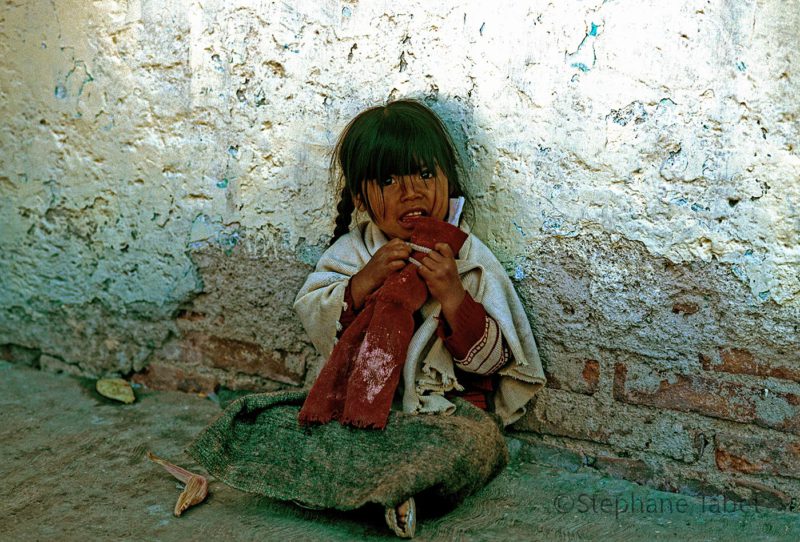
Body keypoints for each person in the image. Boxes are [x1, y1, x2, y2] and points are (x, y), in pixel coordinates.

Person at [292, 98, 546, 537]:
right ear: (359, 196)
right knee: (296, 431)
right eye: (388, 179)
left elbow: (495, 364)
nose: (411, 192)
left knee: (476, 445)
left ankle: (389, 490)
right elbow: (317, 320)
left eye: (426, 174)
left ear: (448, 181)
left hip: (445, 415)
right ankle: (385, 487)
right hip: (369, 410)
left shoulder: (467, 259)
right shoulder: (354, 253)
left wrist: (452, 296)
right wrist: (362, 284)